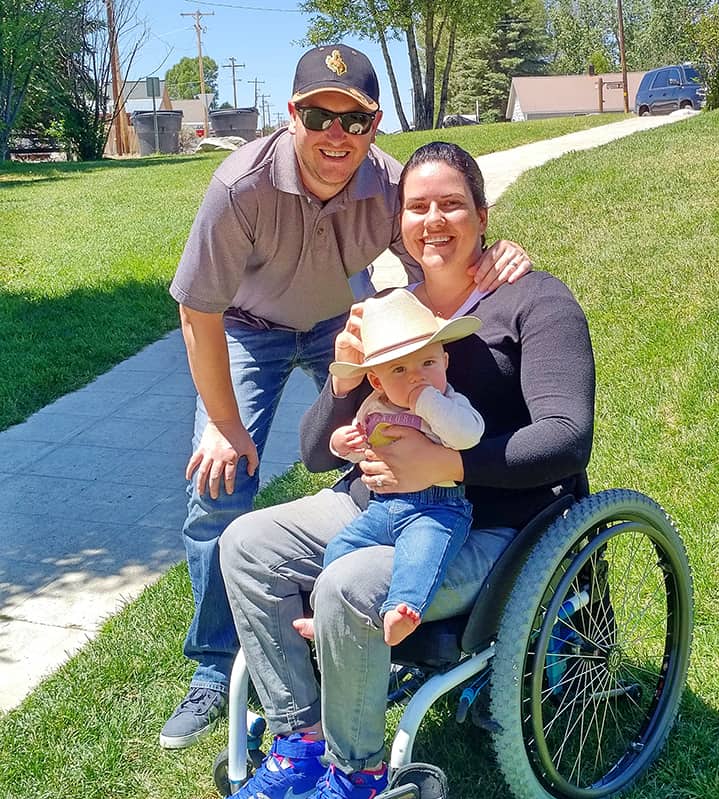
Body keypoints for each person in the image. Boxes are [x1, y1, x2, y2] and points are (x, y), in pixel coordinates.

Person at [197, 141, 595, 799]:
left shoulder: (534, 300)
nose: (433, 220)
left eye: (451, 204)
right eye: (417, 206)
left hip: (484, 522)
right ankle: (300, 743)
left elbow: (568, 439)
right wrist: (348, 371)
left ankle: (356, 785)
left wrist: (448, 462)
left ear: (482, 214)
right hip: (374, 503)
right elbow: (318, 452)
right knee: (247, 542)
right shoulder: (387, 312)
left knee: (351, 586)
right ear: (398, 222)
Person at [162, 43, 531, 749]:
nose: (336, 134)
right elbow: (197, 313)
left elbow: (440, 227)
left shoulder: (388, 182)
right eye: (317, 114)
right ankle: (213, 670)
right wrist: (221, 421)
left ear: (373, 124)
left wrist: (502, 250)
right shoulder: (238, 188)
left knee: (367, 445)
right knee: (219, 485)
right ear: (291, 115)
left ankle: (352, 580)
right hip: (250, 327)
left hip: (345, 319)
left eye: (353, 120)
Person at [292, 287, 484, 647]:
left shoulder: (449, 402)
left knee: (422, 554)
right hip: (382, 507)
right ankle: (323, 617)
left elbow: (467, 436)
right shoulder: (375, 406)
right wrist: (342, 444)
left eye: (427, 363)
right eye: (400, 369)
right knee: (340, 547)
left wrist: (427, 401)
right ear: (377, 381)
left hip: (438, 507)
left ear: (445, 362)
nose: (417, 377)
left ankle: (403, 610)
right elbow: (363, 450)